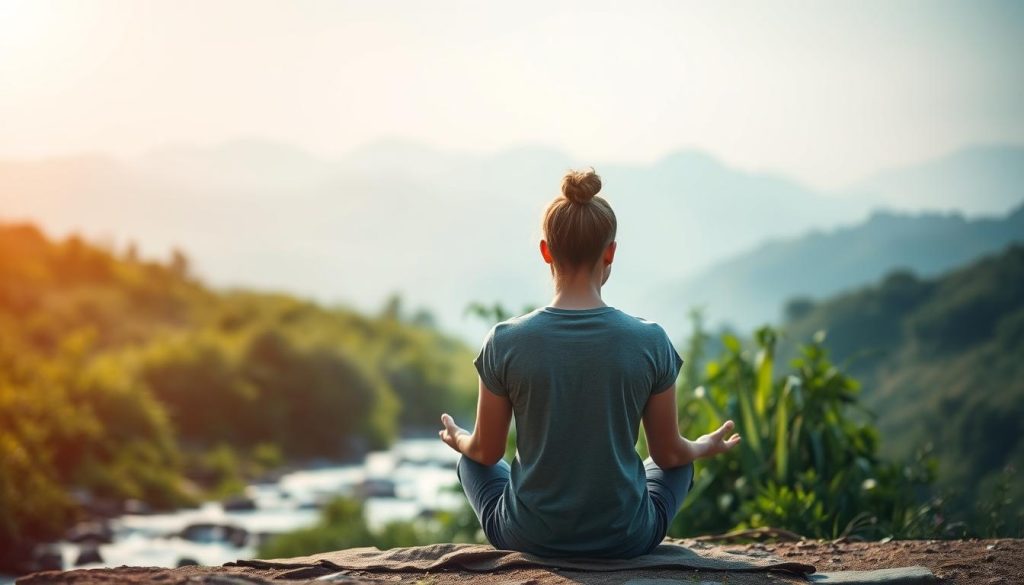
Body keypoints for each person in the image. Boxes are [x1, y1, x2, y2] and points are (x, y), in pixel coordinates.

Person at [438, 167, 741, 558]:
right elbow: (667, 455)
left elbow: (486, 452)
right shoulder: (651, 341)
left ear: (546, 250)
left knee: (471, 463)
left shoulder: (505, 341)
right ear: (610, 251)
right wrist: (701, 446)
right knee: (680, 464)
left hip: (527, 535)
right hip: (626, 538)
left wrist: (457, 438)